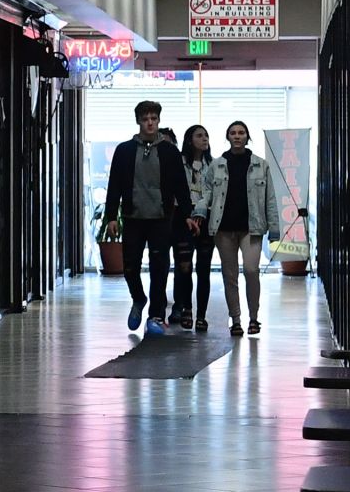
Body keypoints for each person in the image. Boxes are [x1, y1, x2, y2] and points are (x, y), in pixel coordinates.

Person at [189, 120, 282, 337]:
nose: (237, 136)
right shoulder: (217, 165)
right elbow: (207, 193)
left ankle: (254, 318)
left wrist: (275, 228)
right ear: (228, 137)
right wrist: (200, 210)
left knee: (251, 271)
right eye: (233, 133)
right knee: (229, 275)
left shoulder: (261, 164)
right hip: (223, 228)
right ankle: (236, 320)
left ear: (247, 137)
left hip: (252, 227)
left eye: (241, 133)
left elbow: (270, 198)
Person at [106, 100, 190, 334]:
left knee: (159, 267)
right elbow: (115, 184)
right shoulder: (124, 150)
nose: (150, 123)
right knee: (130, 266)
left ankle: (156, 314)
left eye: (154, 118)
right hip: (133, 216)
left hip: (161, 217)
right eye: (145, 119)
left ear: (159, 120)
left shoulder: (169, 151)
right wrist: (111, 216)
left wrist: (187, 214)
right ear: (138, 122)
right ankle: (138, 298)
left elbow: (180, 186)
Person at [172, 125, 217, 332]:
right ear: (189, 140)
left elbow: (214, 193)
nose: (204, 139)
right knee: (184, 266)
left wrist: (202, 212)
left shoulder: (214, 164)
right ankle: (186, 308)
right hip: (183, 217)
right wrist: (187, 214)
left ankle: (202, 315)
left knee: (204, 269)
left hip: (206, 217)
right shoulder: (178, 162)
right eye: (199, 136)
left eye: (206, 135)